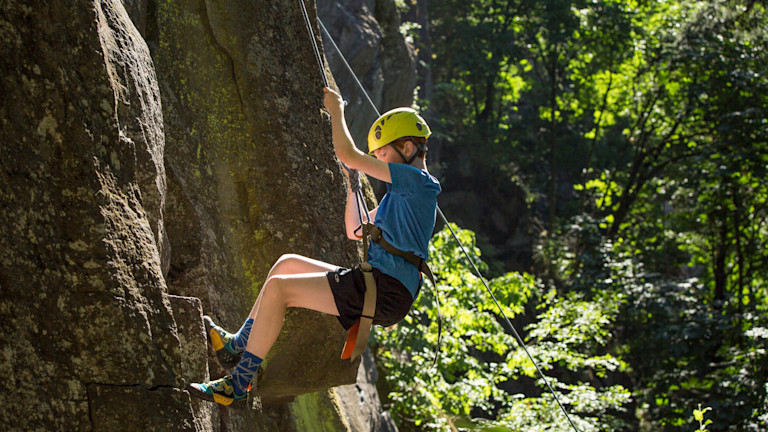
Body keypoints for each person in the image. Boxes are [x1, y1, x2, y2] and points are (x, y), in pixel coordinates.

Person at [187, 87, 441, 406]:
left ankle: (238, 384)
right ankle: (236, 345)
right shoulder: (399, 196)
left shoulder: (417, 182)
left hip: (386, 288)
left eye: (383, 156)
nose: (380, 163)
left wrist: (336, 111)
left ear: (407, 147)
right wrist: (353, 187)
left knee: (280, 290)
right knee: (286, 264)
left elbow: (348, 154)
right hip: (380, 285)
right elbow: (354, 229)